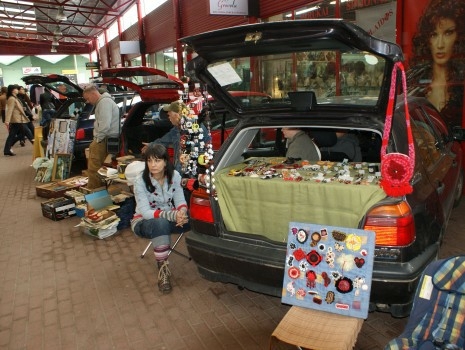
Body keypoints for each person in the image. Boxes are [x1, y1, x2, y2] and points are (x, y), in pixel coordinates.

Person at [130, 143, 189, 293]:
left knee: (196, 218)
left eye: (157, 160)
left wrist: (181, 213)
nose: (153, 165)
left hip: (171, 218)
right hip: (143, 222)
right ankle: (163, 270)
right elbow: (145, 212)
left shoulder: (174, 176)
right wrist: (172, 215)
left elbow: (180, 200)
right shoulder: (140, 181)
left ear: (165, 161)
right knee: (160, 223)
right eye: (149, 161)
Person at [408, 0, 465, 128]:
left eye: (448, 33)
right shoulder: (413, 82)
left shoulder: (460, 85)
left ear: (459, 36)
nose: (440, 44)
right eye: (434, 35)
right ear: (427, 39)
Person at [142, 100, 211, 176]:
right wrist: (151, 145)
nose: (168, 117)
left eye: (169, 114)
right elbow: (164, 140)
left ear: (177, 114)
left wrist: (177, 176)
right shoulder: (177, 128)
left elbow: (187, 158)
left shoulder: (193, 130)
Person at [82, 84, 120, 189]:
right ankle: (98, 189)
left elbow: (104, 124)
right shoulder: (104, 102)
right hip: (106, 138)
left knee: (94, 167)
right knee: (96, 166)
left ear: (94, 94)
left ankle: (93, 191)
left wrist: (98, 139)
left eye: (88, 98)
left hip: (104, 138)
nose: (88, 101)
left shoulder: (104, 102)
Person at [3, 84, 34, 156]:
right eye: (16, 89)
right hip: (17, 119)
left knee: (14, 134)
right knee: (28, 132)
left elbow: (15, 108)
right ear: (12, 90)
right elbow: (9, 110)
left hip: (18, 119)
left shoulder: (14, 98)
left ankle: (7, 149)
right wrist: (7, 120)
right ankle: (37, 146)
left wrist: (22, 109)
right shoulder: (11, 98)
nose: (17, 90)